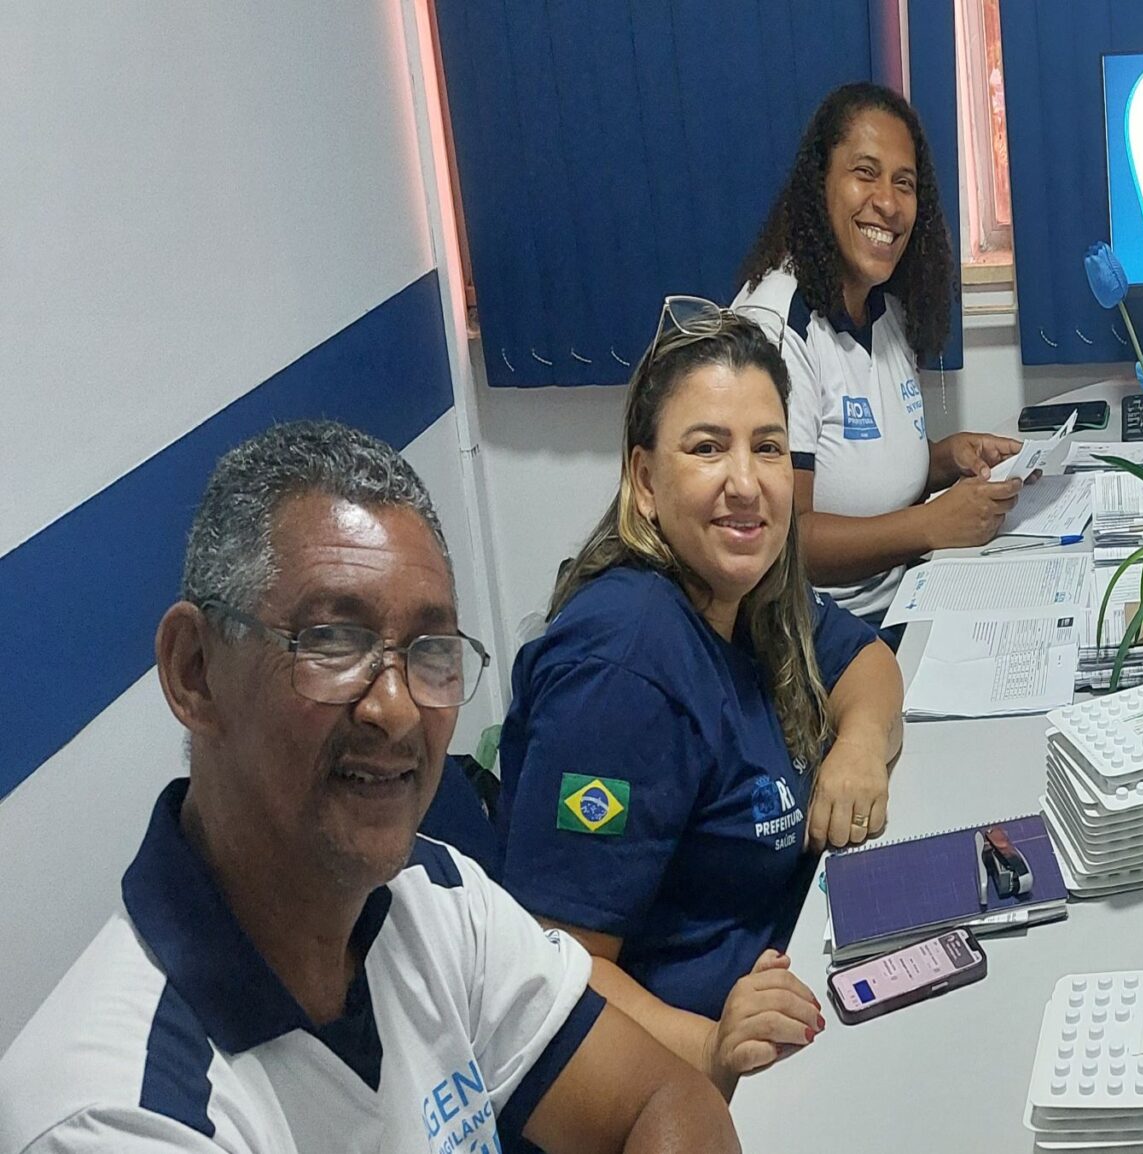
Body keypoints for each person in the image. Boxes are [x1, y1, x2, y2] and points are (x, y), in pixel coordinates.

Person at [0, 421, 735, 1152]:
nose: (396, 709)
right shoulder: (123, 1116)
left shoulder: (439, 897)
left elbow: (665, 1099)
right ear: (195, 671)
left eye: (432, 650)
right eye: (331, 641)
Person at [493, 302, 906, 1098]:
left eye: (769, 448)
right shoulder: (625, 666)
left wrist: (855, 749)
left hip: (786, 1008)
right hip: (670, 1088)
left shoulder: (745, 591)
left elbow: (869, 663)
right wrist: (714, 1047)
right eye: (708, 448)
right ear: (645, 481)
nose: (745, 484)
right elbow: (551, 969)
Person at [735, 81, 1026, 637]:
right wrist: (930, 525)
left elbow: (863, 476)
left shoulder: (884, 313)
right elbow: (781, 540)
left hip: (908, 599)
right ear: (820, 184)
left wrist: (945, 459)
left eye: (904, 183)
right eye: (864, 173)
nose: (888, 203)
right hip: (818, 636)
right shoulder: (774, 324)